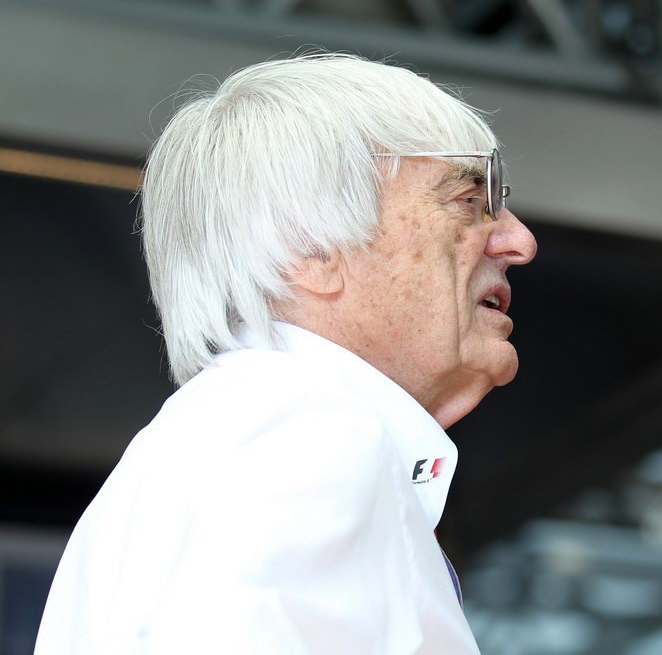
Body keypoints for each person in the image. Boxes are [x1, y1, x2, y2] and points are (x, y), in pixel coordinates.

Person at [36, 53, 537, 653]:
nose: (518, 242)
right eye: (465, 200)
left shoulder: (244, 431)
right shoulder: (304, 426)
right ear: (313, 247)